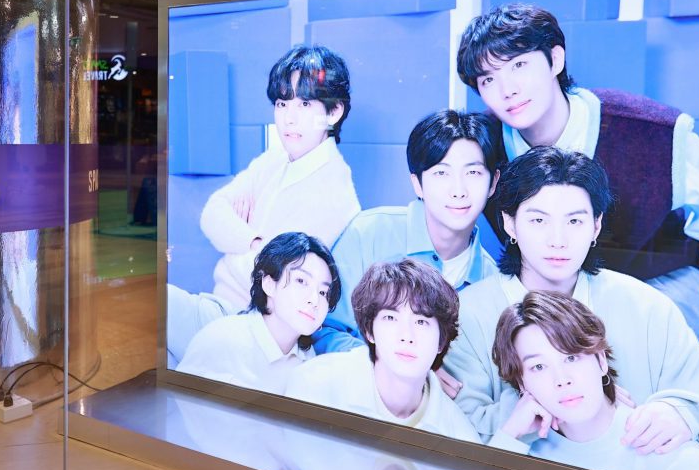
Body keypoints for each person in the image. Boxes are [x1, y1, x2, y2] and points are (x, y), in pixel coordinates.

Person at [457, 2, 699, 411]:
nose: (507, 90)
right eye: (488, 79)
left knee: (595, 369)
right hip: (545, 294)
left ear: (556, 59)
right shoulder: (478, 146)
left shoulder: (653, 133)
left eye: (519, 65)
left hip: (662, 282)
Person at [443, 147, 699, 470]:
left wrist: (685, 416)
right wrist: (543, 403)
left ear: (596, 225)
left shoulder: (648, 309)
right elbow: (451, 453)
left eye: (574, 221)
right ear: (510, 223)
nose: (558, 240)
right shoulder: (467, 316)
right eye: (538, 220)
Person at [168, 45, 361, 363]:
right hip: (222, 308)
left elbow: (268, 280)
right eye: (282, 103)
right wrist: (255, 241)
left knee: (154, 310)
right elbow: (212, 213)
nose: (289, 118)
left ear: (333, 112)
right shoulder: (276, 158)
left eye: (305, 103)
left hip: (254, 326)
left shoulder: (333, 191)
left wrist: (238, 243)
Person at [489, 290, 699, 470]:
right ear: (522, 383)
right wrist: (508, 436)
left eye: (571, 357)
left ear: (600, 361)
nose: (562, 379)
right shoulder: (519, 457)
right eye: (538, 367)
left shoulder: (667, 452)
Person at [314, 110, 500, 358]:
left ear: (493, 183)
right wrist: (388, 366)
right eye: (441, 173)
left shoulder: (493, 282)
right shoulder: (367, 235)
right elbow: (323, 329)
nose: (458, 190)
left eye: (473, 173)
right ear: (417, 184)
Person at [286, 258, 480, 442]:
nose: (406, 336)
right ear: (369, 331)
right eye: (391, 318)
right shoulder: (313, 386)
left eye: (421, 322)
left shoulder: (460, 438)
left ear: (441, 341)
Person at [176, 232, 340, 394]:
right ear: (269, 284)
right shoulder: (222, 340)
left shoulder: (310, 366)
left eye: (323, 292)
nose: (314, 300)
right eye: (301, 281)